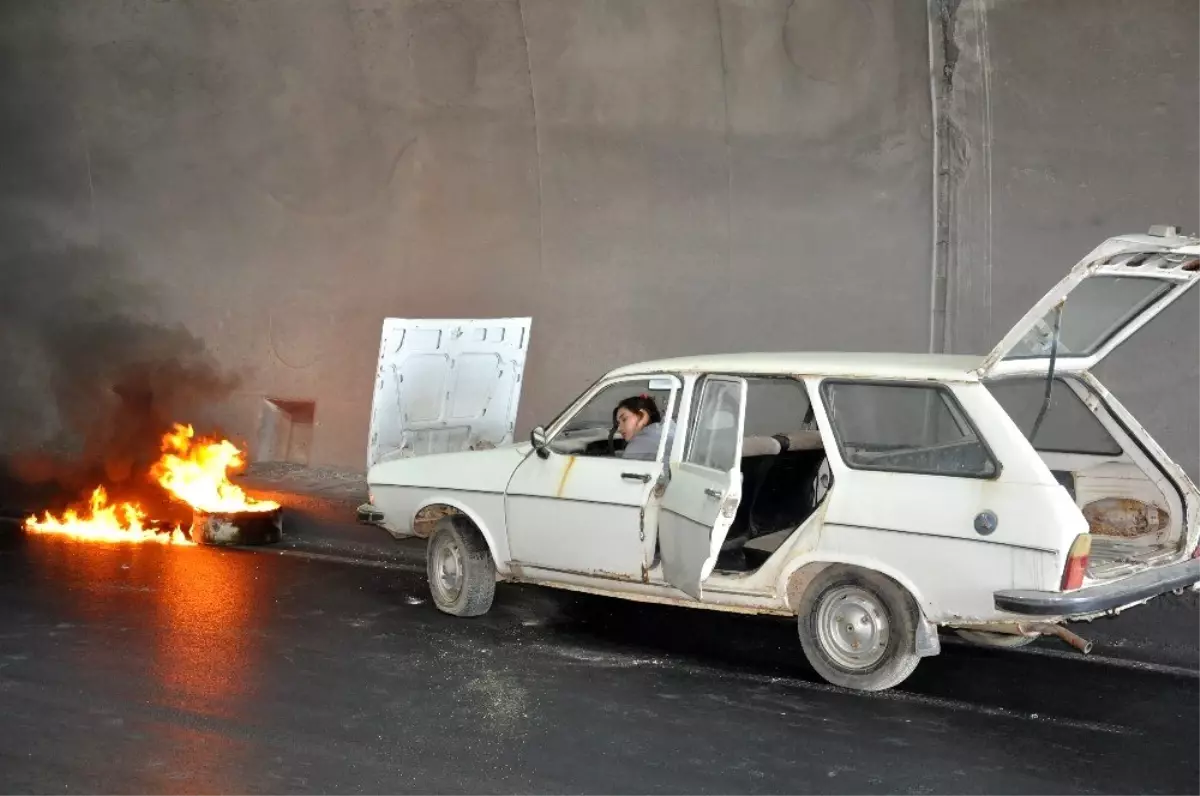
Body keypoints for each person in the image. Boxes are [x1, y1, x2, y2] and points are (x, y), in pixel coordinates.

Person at [613, 394, 674, 461]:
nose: (619, 428)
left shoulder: (638, 444)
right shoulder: (666, 431)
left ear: (642, 416)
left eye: (624, 419)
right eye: (618, 423)